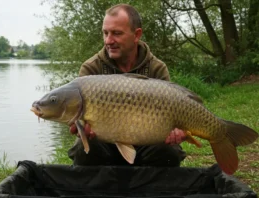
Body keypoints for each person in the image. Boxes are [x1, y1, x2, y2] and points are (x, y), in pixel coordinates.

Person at [68, 3, 186, 166]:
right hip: (104, 144)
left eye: (116, 33)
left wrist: (177, 131)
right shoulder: (91, 68)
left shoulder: (156, 68)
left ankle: (153, 190)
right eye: (105, 33)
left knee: (170, 151)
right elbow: (79, 123)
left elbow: (173, 113)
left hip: (147, 143)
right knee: (84, 148)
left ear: (136, 35)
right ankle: (99, 190)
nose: (109, 40)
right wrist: (80, 129)